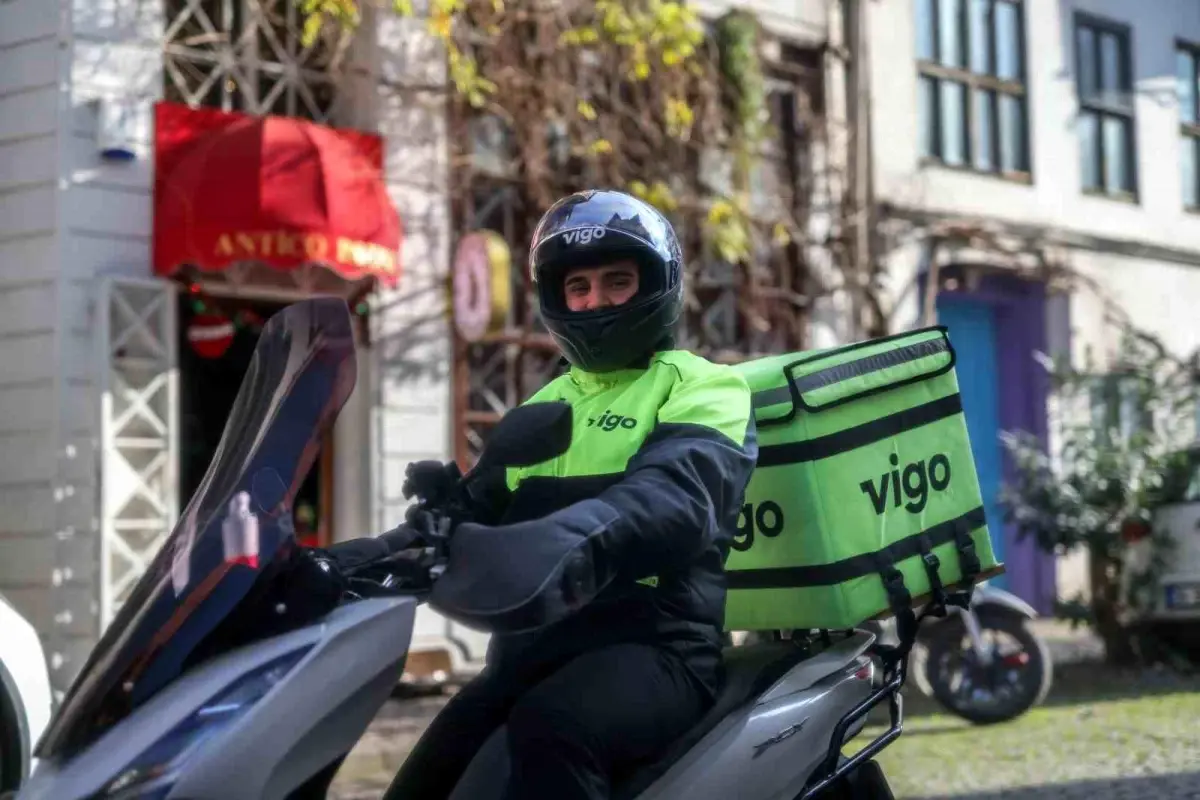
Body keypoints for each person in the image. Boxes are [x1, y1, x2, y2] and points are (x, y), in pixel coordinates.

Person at [376, 189, 758, 799]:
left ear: (658, 284)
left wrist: (581, 529)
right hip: (533, 653)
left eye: (617, 282)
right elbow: (475, 507)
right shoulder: (545, 405)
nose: (595, 301)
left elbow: (679, 494)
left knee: (554, 726)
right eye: (577, 287)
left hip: (657, 648)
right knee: (429, 771)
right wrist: (341, 563)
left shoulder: (704, 386)